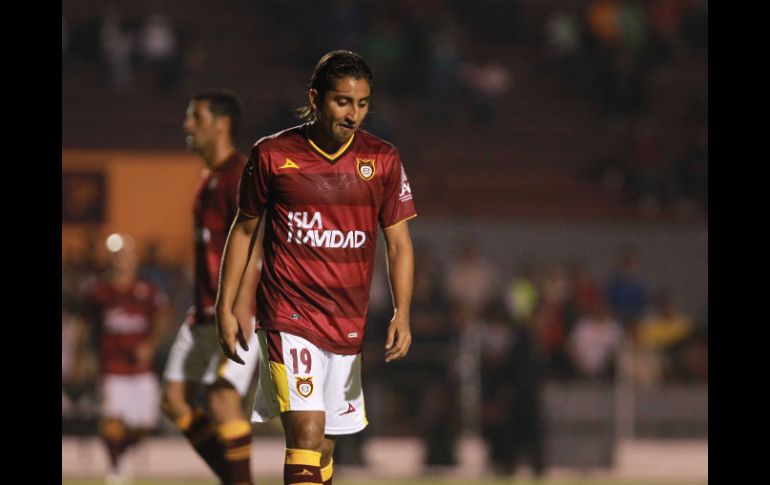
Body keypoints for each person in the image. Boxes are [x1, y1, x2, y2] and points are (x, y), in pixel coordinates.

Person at [216, 50, 417, 485]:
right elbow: (245, 230)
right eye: (343, 101)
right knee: (305, 433)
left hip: (347, 321)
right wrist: (225, 305)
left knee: (325, 445)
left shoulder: (382, 159)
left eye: (362, 104)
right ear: (316, 97)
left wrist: (403, 310)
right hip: (289, 314)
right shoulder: (273, 155)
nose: (353, 114)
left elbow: (398, 242)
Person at [160, 89, 261, 485]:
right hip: (201, 310)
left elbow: (253, 238)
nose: (187, 126)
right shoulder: (209, 179)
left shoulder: (238, 173)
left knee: (222, 398)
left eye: (196, 118)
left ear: (222, 124)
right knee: (174, 401)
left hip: (231, 311)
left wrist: (242, 305)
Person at [81, 234, 169, 485]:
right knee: (112, 422)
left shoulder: (146, 290)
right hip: (112, 367)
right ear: (112, 260)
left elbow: (162, 317)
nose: (123, 261)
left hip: (141, 369)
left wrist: (150, 345)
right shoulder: (100, 292)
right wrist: (83, 357)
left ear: (134, 260)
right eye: (118, 256)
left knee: (145, 426)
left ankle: (123, 452)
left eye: (127, 256)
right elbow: (87, 327)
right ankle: (116, 468)